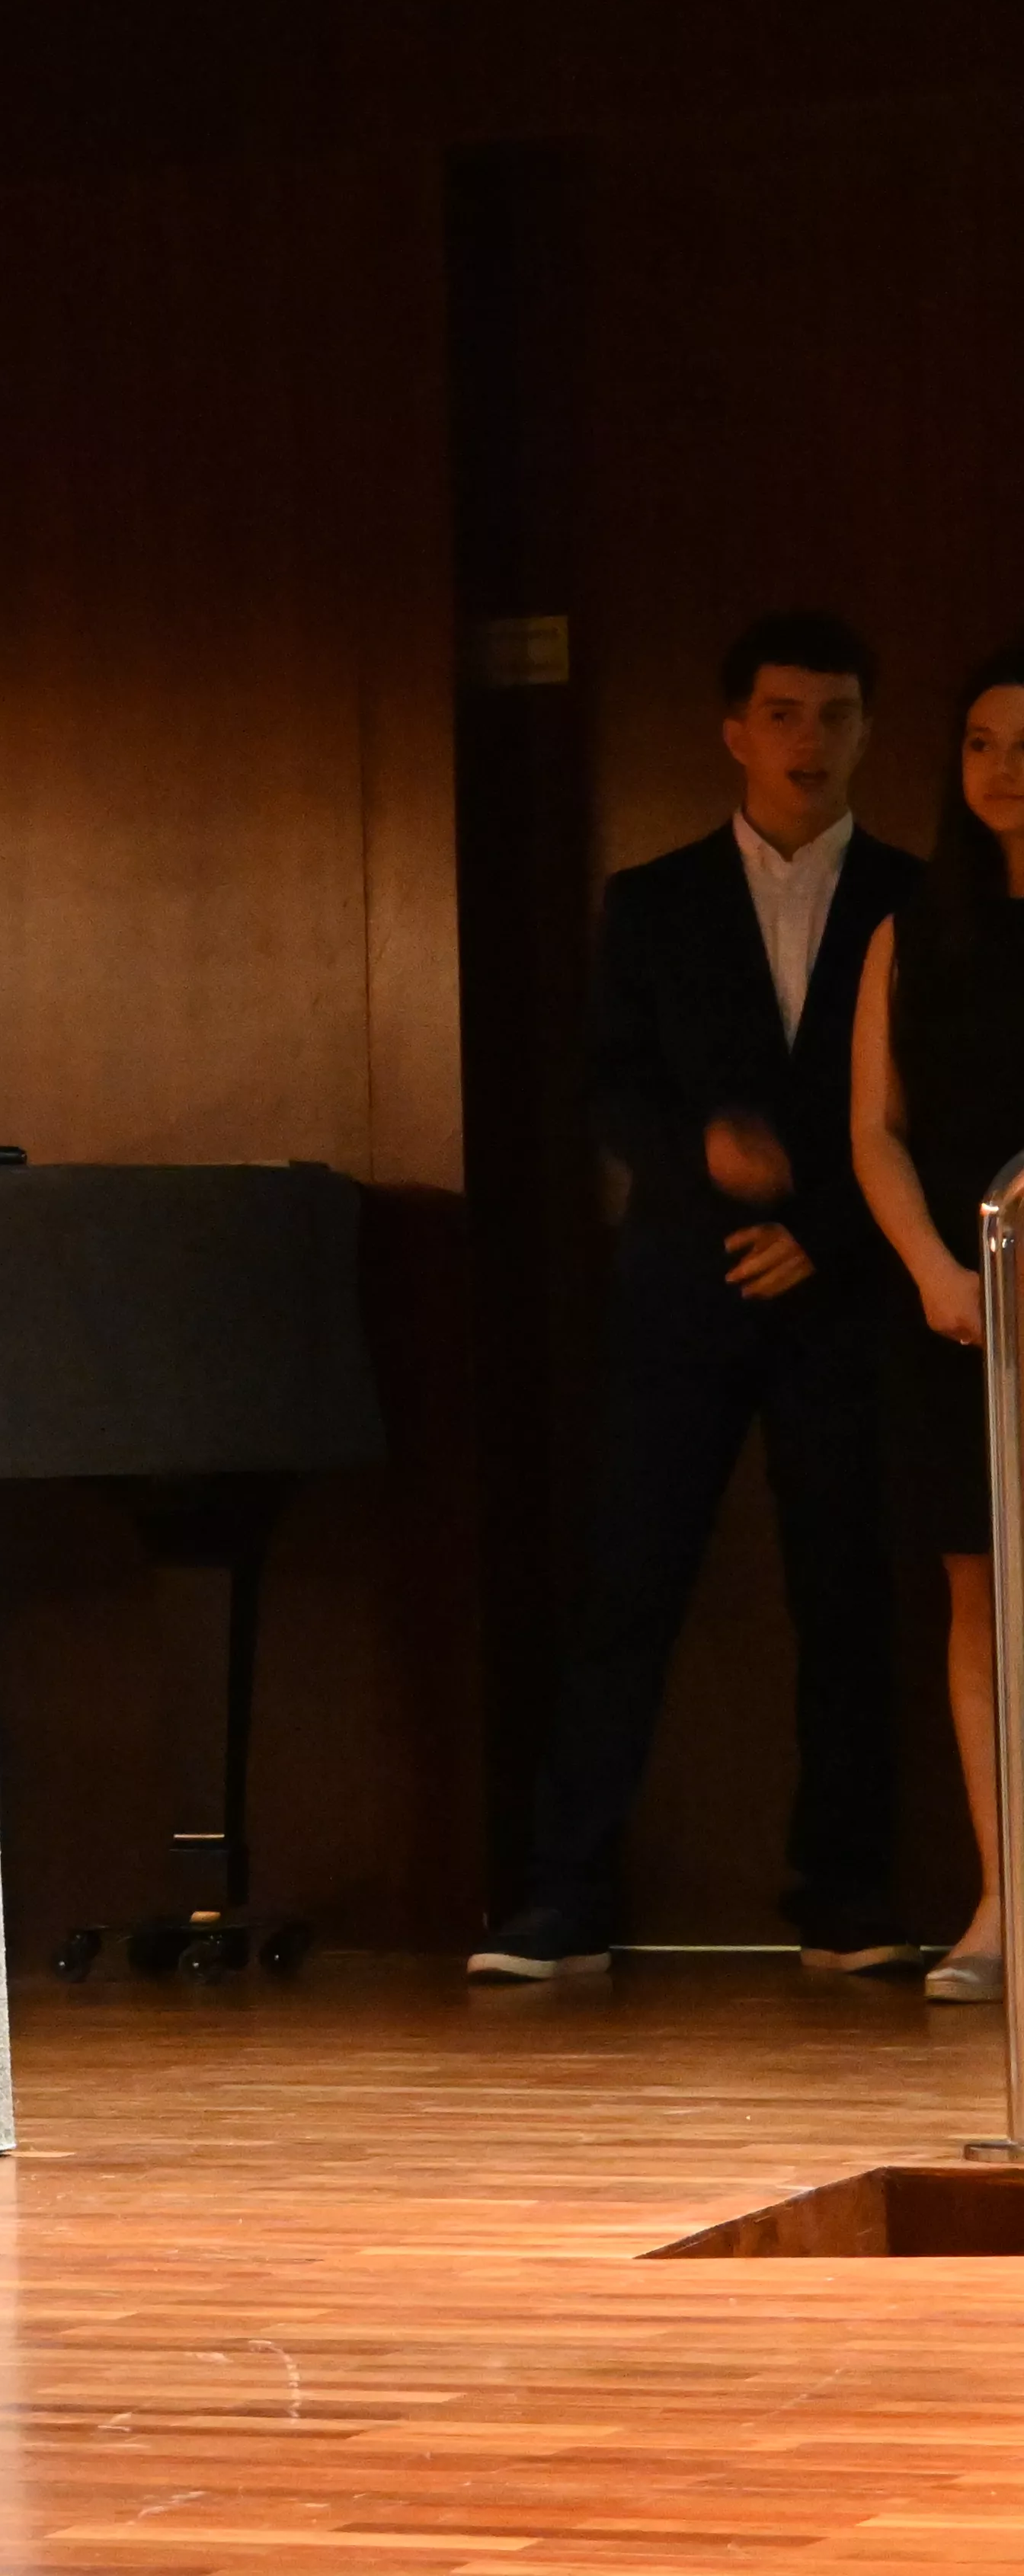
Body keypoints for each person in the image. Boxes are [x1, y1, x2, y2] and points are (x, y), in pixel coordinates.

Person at [472, 611, 922, 1983]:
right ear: (735, 732)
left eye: (836, 714)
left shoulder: (916, 894)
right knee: (630, 1582)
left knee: (848, 1594)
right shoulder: (653, 898)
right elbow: (610, 1084)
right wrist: (707, 1162)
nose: (809, 740)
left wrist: (831, 1239)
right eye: (783, 714)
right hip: (684, 1286)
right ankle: (562, 1902)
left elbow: (933, 1109)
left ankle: (844, 1905)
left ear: (866, 734)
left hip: (848, 1293)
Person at [847, 643, 1024, 2002]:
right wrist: (933, 1267)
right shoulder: (912, 930)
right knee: (978, 1592)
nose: (1002, 771)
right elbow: (877, 1134)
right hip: (963, 1310)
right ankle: (1001, 1902)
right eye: (979, 743)